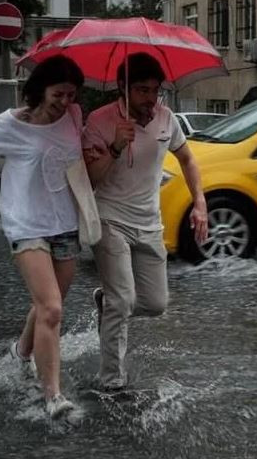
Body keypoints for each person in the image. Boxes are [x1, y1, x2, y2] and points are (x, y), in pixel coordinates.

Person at [0, 54, 91, 420]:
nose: (65, 102)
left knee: (49, 303)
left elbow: (73, 158)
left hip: (65, 221)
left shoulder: (73, 116)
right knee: (52, 309)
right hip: (26, 224)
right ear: (40, 89)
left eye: (71, 94)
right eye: (59, 93)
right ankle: (53, 396)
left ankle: (22, 352)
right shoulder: (12, 123)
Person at [82, 52, 208, 391]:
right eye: (141, 90)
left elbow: (187, 159)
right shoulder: (99, 121)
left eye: (155, 90)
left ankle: (106, 303)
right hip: (109, 219)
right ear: (123, 89)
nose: (150, 98)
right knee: (122, 300)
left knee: (155, 304)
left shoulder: (167, 119)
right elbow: (90, 179)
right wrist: (115, 146)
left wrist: (200, 202)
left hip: (150, 223)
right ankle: (112, 382)